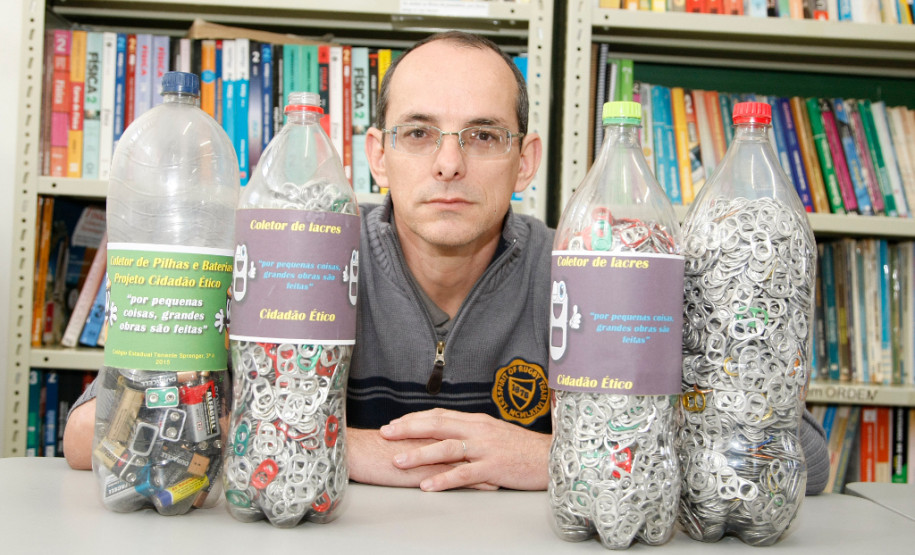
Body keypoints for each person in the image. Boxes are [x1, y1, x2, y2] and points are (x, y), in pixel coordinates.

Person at [63, 30, 829, 496]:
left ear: (525, 159)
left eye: (483, 135)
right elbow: (92, 431)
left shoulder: (601, 272)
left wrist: (558, 455)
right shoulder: (289, 259)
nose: (449, 164)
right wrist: (330, 440)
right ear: (376, 155)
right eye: (419, 132)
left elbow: (799, 454)